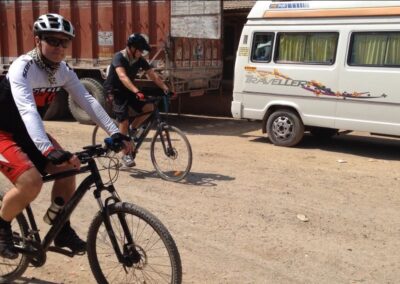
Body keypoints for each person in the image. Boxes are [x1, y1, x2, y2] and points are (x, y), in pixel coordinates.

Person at [0, 13, 132, 259]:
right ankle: (2, 226)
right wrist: (47, 149)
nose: (59, 48)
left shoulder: (63, 70)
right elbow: (28, 109)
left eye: (64, 42)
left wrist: (115, 132)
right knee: (31, 183)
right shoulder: (23, 67)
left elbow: (88, 101)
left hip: (28, 132)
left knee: (70, 168)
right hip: (2, 133)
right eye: (52, 40)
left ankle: (60, 227)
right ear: (38, 40)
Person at [103, 33, 171, 167]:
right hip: (114, 91)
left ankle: (132, 129)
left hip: (128, 90)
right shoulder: (119, 57)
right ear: (132, 48)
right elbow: (122, 77)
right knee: (123, 119)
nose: (142, 53)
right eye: (140, 50)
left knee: (149, 107)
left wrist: (166, 89)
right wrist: (137, 91)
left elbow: (153, 75)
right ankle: (125, 154)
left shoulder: (139, 59)